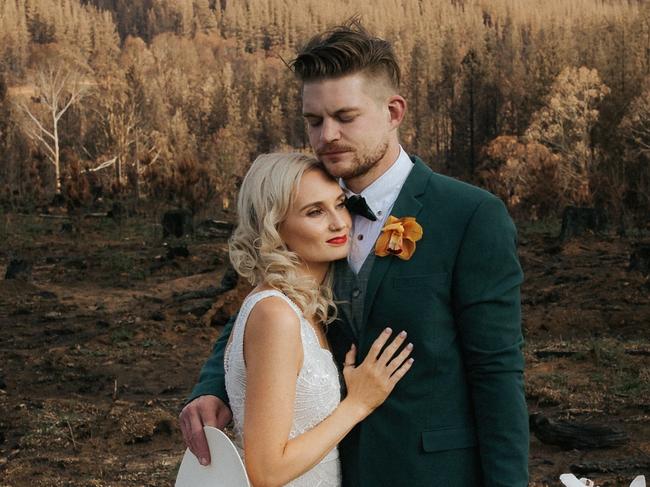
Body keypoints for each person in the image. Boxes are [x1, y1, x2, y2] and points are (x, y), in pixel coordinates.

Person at [180, 20, 529, 486]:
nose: (326, 136)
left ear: (394, 111)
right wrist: (213, 386)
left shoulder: (470, 216)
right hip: (328, 468)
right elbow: (268, 306)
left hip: (434, 472)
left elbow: (497, 373)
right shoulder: (304, 214)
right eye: (313, 120)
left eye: (345, 117)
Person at [207, 152, 414, 486]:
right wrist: (358, 404)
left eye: (340, 203)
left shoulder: (302, 307)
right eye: (315, 212)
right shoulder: (275, 315)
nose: (339, 222)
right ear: (274, 226)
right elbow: (266, 471)